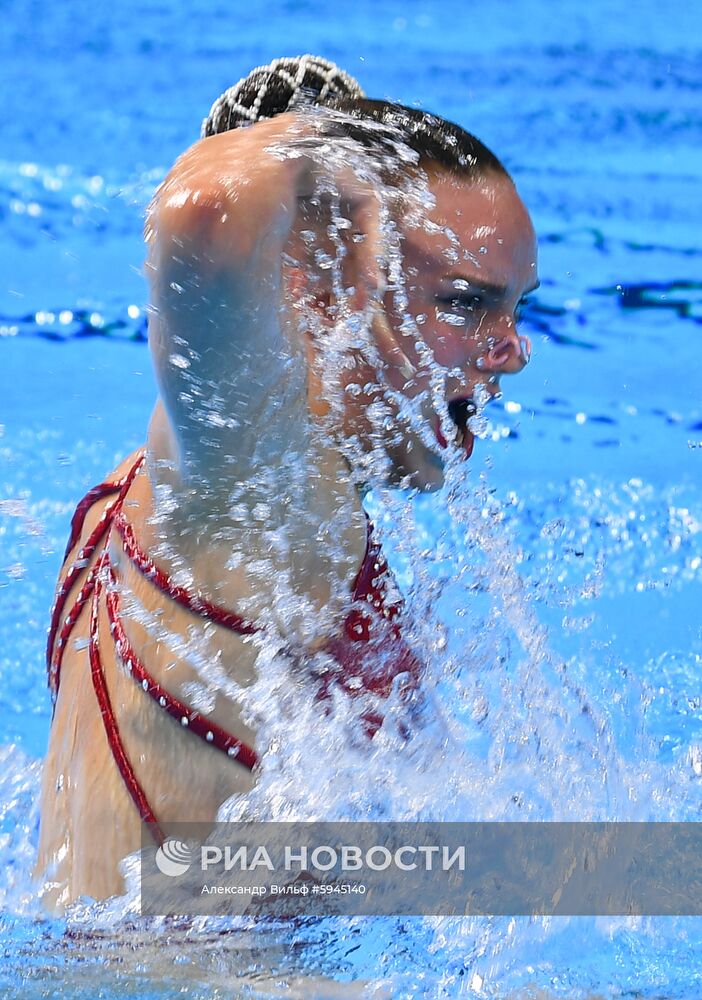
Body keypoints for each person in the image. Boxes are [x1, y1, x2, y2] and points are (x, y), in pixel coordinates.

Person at [36, 56, 538, 908]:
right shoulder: (260, 488)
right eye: (464, 303)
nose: (511, 350)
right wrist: (338, 147)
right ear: (314, 287)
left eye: (517, 307)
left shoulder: (169, 487)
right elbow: (204, 209)